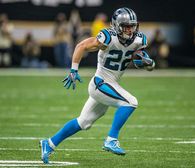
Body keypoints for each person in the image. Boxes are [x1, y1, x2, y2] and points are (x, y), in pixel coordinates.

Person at [40, 7, 155, 164]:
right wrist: (73, 70)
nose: (130, 29)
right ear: (116, 25)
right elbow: (81, 46)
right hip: (100, 83)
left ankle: (49, 143)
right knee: (131, 102)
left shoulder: (138, 40)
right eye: (126, 26)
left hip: (111, 84)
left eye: (132, 26)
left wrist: (147, 63)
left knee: (84, 122)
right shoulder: (107, 37)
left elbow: (138, 57)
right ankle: (111, 139)